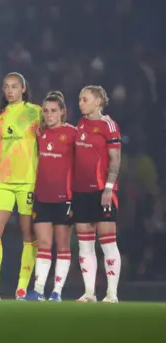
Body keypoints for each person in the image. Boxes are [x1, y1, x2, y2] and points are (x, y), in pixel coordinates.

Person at [0, 72, 41, 300]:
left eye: (14, 86)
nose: (10, 90)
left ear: (23, 89)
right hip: (2, 181)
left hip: (28, 182)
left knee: (28, 234)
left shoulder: (36, 112)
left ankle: (22, 288)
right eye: (6, 87)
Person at [25, 91, 76, 302]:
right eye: (45, 111)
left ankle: (57, 291)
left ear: (63, 112)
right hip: (42, 197)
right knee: (44, 244)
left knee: (62, 244)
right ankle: (38, 290)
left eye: (54, 111)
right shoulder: (39, 134)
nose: (49, 115)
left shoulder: (73, 134)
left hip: (65, 198)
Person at [73, 86, 122, 303]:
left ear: (98, 101)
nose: (80, 103)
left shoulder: (108, 126)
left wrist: (109, 188)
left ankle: (111, 294)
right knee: (85, 244)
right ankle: (89, 293)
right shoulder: (81, 124)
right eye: (80, 99)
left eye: (85, 99)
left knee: (108, 243)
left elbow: (115, 159)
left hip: (102, 191)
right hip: (81, 191)